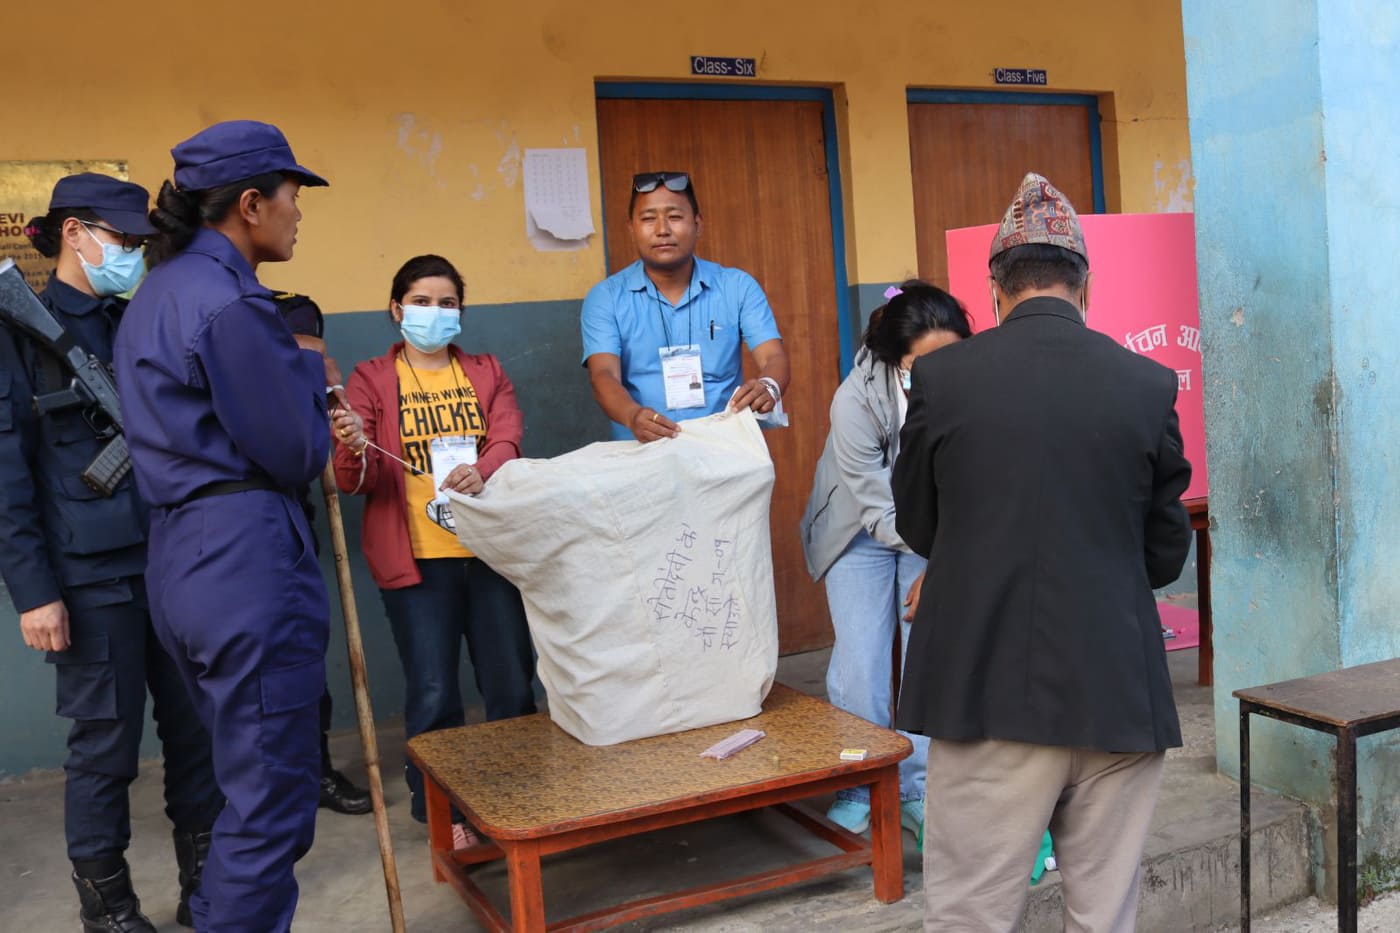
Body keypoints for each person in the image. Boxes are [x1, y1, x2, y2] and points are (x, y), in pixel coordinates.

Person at [892, 173, 1192, 931]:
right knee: (1104, 919)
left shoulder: (941, 378)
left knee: (971, 916)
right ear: (1084, 286)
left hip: (987, 693)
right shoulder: (1147, 383)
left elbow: (920, 524)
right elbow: (1164, 554)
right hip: (1119, 694)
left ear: (995, 290)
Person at [112, 121, 333, 932]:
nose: (297, 213)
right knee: (271, 803)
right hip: (243, 556)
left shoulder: (156, 293)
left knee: (247, 788)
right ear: (250, 204)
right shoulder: (231, 303)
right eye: (291, 197)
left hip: (182, 556)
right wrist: (307, 370)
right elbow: (295, 449)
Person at [0, 174, 223, 931]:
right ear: (74, 233)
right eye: (122, 239)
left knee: (196, 731)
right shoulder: (18, 336)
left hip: (171, 564)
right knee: (105, 747)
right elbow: (7, 478)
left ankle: (205, 883)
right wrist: (35, 592)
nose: (132, 253)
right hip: (90, 578)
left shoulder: (136, 321)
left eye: (138, 242)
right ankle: (108, 905)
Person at [330, 254, 536, 842]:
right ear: (397, 310)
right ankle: (445, 814)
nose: (435, 312)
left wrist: (482, 468)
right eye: (421, 301)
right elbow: (356, 479)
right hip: (417, 559)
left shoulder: (486, 370)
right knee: (434, 690)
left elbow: (507, 438)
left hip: (489, 553)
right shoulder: (371, 378)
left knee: (511, 683)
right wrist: (353, 445)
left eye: (447, 303)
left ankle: (521, 801)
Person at [799, 280, 971, 841]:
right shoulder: (854, 401)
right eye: (925, 365)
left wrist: (943, 561)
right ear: (898, 361)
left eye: (953, 357)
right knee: (861, 660)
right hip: (859, 526)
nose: (943, 373)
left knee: (925, 650)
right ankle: (860, 781)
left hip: (934, 527)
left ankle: (917, 786)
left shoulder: (979, 384)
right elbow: (876, 508)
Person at [581, 171, 790, 441]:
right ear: (631, 229)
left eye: (675, 216)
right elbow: (604, 374)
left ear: (698, 224)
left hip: (723, 447)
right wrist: (632, 415)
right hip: (643, 449)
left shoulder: (737, 286)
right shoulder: (606, 297)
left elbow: (773, 356)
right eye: (648, 219)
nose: (662, 230)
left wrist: (769, 386)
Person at [271, 291, 373, 817]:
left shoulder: (290, 309)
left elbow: (317, 372)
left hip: (286, 515)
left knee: (303, 652)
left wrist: (331, 399)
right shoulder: (180, 312)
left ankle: (317, 773)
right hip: (215, 523)